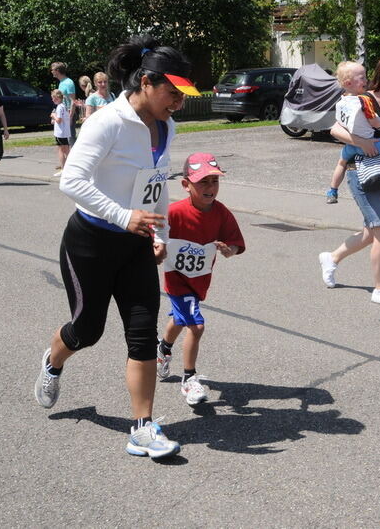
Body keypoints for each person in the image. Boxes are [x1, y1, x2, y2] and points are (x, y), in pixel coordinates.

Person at [33, 34, 200, 459]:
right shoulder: (107, 121)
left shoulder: (166, 126)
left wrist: (157, 233)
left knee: (142, 334)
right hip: (89, 244)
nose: (178, 102)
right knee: (87, 330)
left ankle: (143, 427)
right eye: (172, 93)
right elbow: (71, 180)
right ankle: (53, 363)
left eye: (184, 95)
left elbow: (154, 185)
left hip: (136, 246)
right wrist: (124, 217)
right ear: (146, 82)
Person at [318, 52, 380, 308]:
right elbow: (335, 129)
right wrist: (361, 142)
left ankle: (332, 257)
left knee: (371, 231)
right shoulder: (362, 97)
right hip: (360, 169)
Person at [156, 152, 246, 405]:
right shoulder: (173, 212)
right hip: (177, 279)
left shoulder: (221, 213)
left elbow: (236, 242)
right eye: (203, 182)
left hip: (199, 279)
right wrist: (157, 247)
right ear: (186, 185)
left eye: (214, 181)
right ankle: (189, 379)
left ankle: (162, 349)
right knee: (196, 326)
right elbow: (155, 234)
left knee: (180, 319)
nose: (210, 187)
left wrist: (230, 250)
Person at [324, 61, 380, 204]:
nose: (366, 80)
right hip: (371, 144)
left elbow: (339, 124)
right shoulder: (364, 100)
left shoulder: (341, 102)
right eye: (362, 78)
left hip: (350, 146)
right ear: (349, 83)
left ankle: (333, 190)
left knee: (341, 164)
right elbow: (373, 121)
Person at [50, 62, 77, 145]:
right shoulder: (61, 82)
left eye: (52, 70)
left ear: (57, 71)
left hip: (68, 112)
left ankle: (74, 156)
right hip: (63, 112)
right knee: (63, 138)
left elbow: (73, 101)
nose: (51, 72)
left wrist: (70, 117)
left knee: (70, 137)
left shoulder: (69, 82)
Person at [49, 89, 70, 174]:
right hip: (64, 132)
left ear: (56, 98)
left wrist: (53, 115)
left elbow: (59, 120)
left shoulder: (59, 107)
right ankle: (67, 167)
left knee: (61, 150)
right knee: (66, 150)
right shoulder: (63, 106)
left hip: (60, 133)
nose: (52, 100)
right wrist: (54, 120)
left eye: (53, 98)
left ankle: (63, 168)